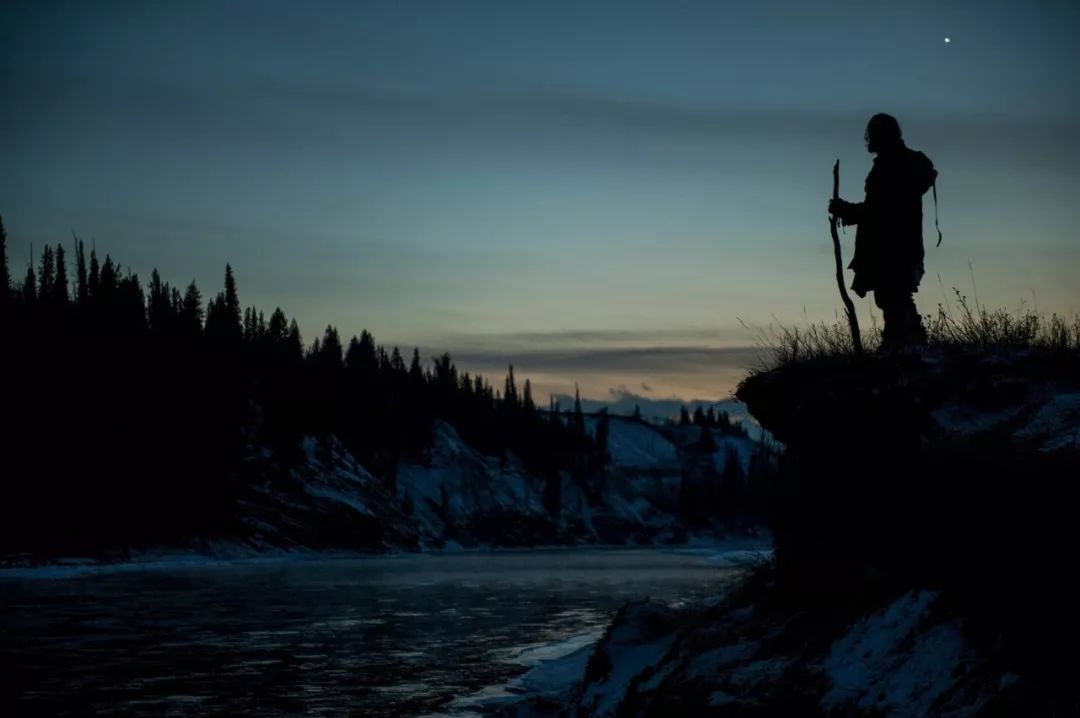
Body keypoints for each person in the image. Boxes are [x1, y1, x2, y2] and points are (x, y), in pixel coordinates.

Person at [829, 113, 938, 351]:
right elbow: (879, 208)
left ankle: (896, 346)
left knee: (892, 296)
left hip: (889, 246)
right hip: (904, 244)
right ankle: (914, 344)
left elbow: (878, 210)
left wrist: (845, 210)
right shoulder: (902, 163)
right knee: (897, 295)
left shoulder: (891, 166)